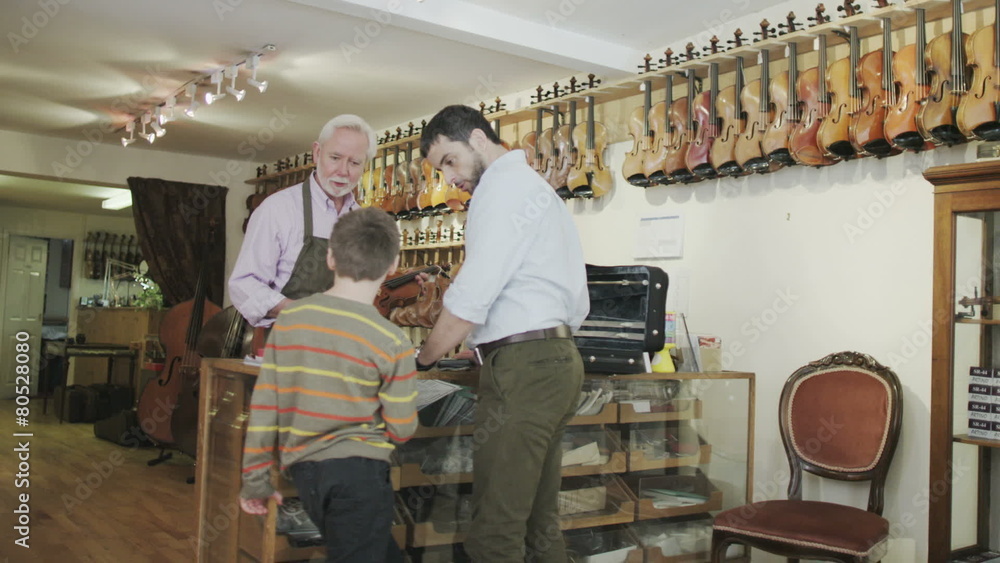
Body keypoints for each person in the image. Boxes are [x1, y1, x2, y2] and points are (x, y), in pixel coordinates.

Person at [415, 105, 590, 562]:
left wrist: (423, 359)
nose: (448, 178)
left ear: (477, 138)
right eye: (440, 170)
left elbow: (473, 295)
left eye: (449, 161)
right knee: (539, 523)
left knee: (495, 528)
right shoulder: (533, 187)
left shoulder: (501, 190)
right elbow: (577, 302)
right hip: (558, 357)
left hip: (524, 368)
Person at [239, 207, 418, 562]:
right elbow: (402, 428)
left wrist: (256, 480)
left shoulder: (290, 320)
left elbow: (264, 408)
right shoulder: (392, 339)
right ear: (394, 264)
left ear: (331, 257)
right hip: (362, 475)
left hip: (307, 474)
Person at [229, 114, 377, 327]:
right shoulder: (278, 209)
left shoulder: (363, 221)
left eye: (354, 162)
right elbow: (244, 285)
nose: (343, 171)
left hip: (342, 344)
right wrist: (303, 312)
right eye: (335, 158)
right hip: (286, 343)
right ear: (317, 153)